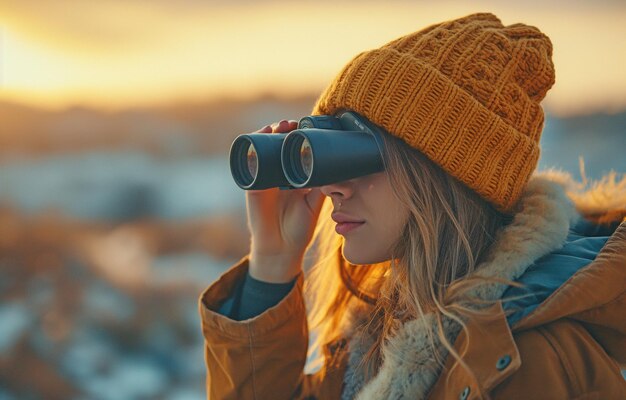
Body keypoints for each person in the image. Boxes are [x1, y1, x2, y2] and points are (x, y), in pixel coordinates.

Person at [199, 12, 626, 399]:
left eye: (358, 154)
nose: (333, 188)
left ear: (443, 173)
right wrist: (272, 263)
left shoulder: (526, 361)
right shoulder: (382, 331)